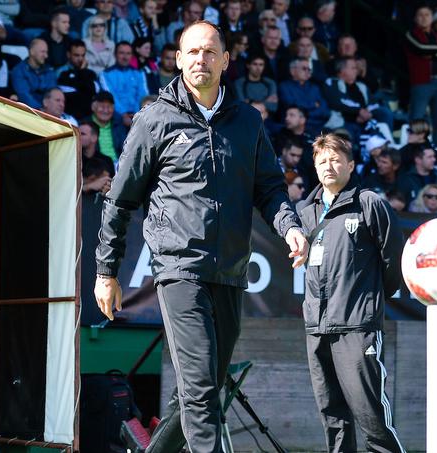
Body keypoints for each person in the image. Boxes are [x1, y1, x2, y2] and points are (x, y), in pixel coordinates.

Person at [94, 20, 308, 453]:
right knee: (200, 386)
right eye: (192, 52)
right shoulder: (156, 118)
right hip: (179, 270)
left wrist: (291, 227)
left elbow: (269, 187)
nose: (200, 60)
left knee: (203, 389)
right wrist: (106, 270)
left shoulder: (248, 121)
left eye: (210, 52)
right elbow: (119, 198)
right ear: (178, 59)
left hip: (230, 272)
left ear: (226, 61)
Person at [296, 132, 405, 453]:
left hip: (358, 327)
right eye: (321, 161)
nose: (328, 166)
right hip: (317, 328)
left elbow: (393, 261)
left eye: (335, 159)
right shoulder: (306, 211)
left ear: (351, 164)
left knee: (371, 416)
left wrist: (366, 301)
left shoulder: (370, 203)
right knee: (333, 417)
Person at [405, 5, 437, 147]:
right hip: (422, 82)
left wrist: (432, 53)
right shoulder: (411, 33)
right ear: (415, 18)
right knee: (417, 118)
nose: (424, 18)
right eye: (420, 15)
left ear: (432, 17)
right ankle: (415, 148)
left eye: (427, 14)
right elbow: (421, 48)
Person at [101, 41, 150, 127]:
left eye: (128, 53)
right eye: (121, 53)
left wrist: (136, 114)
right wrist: (123, 114)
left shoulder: (139, 73)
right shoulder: (105, 74)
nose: (125, 57)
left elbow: (144, 95)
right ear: (115, 54)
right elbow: (111, 97)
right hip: (116, 116)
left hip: (138, 115)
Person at [279, 57, 330, 136]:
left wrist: (304, 115)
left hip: (317, 127)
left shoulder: (315, 87)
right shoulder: (284, 86)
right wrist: (313, 105)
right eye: (304, 69)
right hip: (294, 128)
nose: (307, 71)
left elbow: (324, 111)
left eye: (309, 69)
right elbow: (291, 105)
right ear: (292, 71)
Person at [57, 39, 100, 120]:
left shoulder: (91, 73)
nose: (80, 59)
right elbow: (69, 94)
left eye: (83, 55)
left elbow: (94, 91)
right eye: (76, 55)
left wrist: (82, 72)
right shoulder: (61, 72)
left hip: (89, 116)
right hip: (68, 116)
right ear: (68, 54)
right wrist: (83, 76)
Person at [11, 38, 57, 109]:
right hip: (30, 113)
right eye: (43, 52)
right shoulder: (19, 71)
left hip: (48, 113)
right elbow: (24, 96)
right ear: (32, 52)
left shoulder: (49, 71)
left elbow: (53, 94)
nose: (46, 56)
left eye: (46, 52)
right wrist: (40, 110)